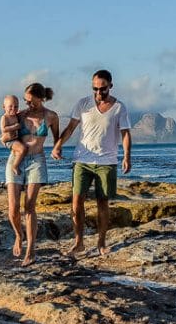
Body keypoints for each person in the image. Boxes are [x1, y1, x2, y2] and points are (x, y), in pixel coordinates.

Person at [52, 69, 131, 256]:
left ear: (110, 86)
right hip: (82, 160)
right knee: (76, 201)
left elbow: (125, 133)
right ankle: (79, 243)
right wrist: (57, 145)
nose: (98, 93)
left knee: (102, 202)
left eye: (102, 89)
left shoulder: (120, 107)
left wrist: (127, 157)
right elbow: (71, 128)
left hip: (107, 162)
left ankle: (101, 243)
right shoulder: (83, 104)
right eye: (95, 88)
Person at [6, 82, 60, 266]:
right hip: (16, 160)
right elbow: (5, 135)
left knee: (29, 207)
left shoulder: (51, 116)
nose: (27, 104)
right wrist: (4, 139)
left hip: (37, 161)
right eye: (25, 101)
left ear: (40, 98)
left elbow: (57, 139)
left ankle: (31, 251)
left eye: (30, 101)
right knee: (13, 208)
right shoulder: (19, 116)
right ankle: (18, 235)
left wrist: (57, 149)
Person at [0, 95, 28, 174]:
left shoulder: (15, 115)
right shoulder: (4, 117)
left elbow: (21, 113)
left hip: (15, 139)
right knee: (23, 149)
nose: (13, 109)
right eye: (10, 106)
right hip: (10, 140)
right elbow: (3, 129)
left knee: (19, 151)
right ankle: (15, 166)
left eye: (16, 107)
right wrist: (14, 127)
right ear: (4, 107)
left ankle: (17, 164)